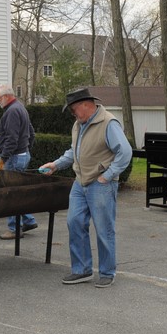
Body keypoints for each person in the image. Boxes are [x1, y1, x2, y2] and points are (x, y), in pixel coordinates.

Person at [39, 88, 132, 288]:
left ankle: (107, 272)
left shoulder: (108, 123)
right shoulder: (78, 124)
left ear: (86, 105)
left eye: (73, 109)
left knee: (104, 229)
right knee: (74, 222)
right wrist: (55, 165)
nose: (72, 114)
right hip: (80, 182)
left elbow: (125, 152)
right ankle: (82, 270)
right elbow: (75, 151)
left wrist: (107, 176)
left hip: (101, 184)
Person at [0, 84, 38, 240]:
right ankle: (29, 220)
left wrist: (3, 159)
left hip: (14, 158)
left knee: (10, 194)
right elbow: (31, 133)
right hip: (22, 155)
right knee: (17, 192)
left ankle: (14, 229)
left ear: (6, 96)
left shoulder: (12, 111)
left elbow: (11, 139)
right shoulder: (20, 107)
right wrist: (26, 150)